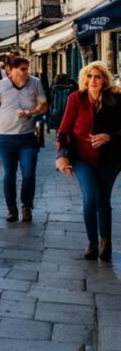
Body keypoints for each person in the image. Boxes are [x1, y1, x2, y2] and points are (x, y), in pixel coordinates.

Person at [55, 61, 121, 261]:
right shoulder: (76, 98)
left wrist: (110, 136)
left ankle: (105, 242)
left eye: (98, 77)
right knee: (90, 199)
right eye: (89, 76)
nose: (93, 81)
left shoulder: (116, 99)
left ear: (104, 80)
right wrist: (62, 156)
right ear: (84, 78)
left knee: (103, 200)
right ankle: (92, 241)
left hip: (110, 159)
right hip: (82, 158)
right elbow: (64, 130)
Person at [0, 57, 48, 222]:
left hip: (28, 137)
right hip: (5, 137)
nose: (26, 72)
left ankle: (26, 205)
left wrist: (31, 112)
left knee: (29, 174)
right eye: (22, 69)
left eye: (27, 68)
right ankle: (11, 208)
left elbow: (44, 105)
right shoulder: (0, 85)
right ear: (11, 69)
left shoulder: (35, 83)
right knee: (9, 175)